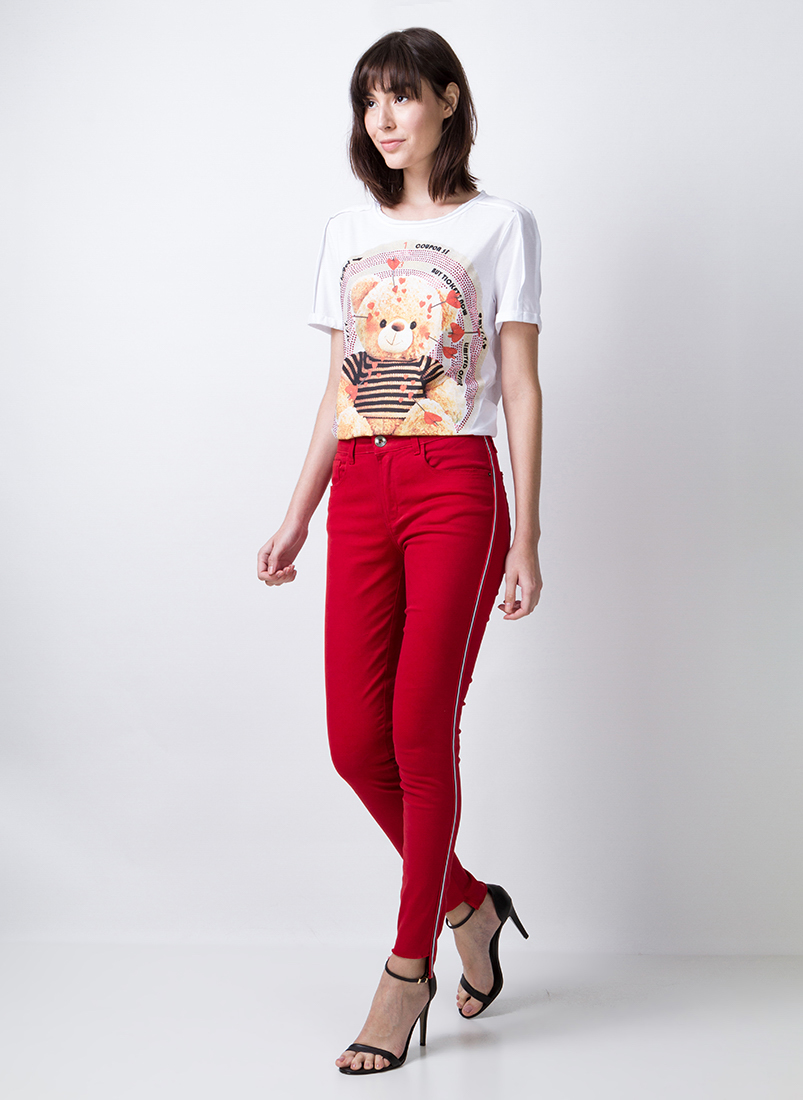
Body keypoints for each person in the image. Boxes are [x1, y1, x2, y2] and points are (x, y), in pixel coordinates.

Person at [257, 26, 543, 1075]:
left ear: (447, 100)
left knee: (420, 733)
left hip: (455, 487)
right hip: (363, 487)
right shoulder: (347, 230)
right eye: (368, 100)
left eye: (402, 95)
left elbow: (519, 385)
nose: (383, 118)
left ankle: (406, 965)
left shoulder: (499, 226)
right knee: (354, 743)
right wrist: (299, 512)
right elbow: (336, 390)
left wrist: (528, 534)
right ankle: (471, 905)